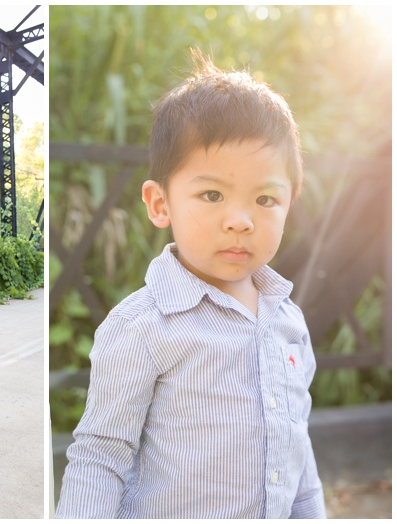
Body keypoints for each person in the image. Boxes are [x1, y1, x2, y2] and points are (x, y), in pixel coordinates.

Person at [55, 51, 326, 519]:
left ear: (289, 205)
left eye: (265, 199)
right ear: (160, 204)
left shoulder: (289, 322)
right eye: (212, 194)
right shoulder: (144, 326)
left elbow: (296, 450)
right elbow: (101, 454)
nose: (240, 221)